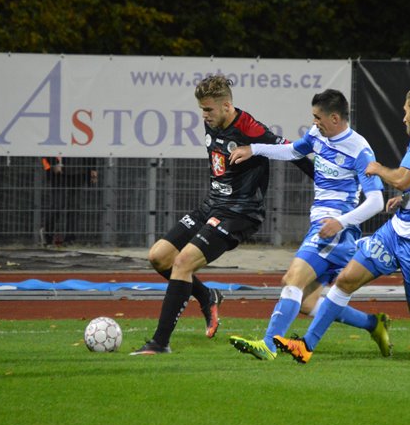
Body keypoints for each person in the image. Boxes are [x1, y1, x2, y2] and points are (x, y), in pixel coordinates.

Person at [273, 86, 410, 364]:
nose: (403, 118)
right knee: (346, 280)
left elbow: (401, 179)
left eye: (406, 112)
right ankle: (306, 346)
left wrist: (377, 169)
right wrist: (406, 200)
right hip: (395, 232)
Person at [130, 75, 315, 355]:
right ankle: (207, 296)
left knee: (182, 262)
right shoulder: (212, 121)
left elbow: (293, 152)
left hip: (239, 212)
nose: (204, 115)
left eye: (208, 109)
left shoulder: (250, 128)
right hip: (212, 205)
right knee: (159, 256)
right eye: (202, 109)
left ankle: (159, 343)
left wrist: (325, 183)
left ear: (227, 106)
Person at [227, 89, 393, 361]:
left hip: (334, 231)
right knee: (306, 302)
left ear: (335, 118)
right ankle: (373, 324)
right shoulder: (317, 135)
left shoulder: (360, 150)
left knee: (293, 279)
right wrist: (253, 149)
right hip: (324, 227)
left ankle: (268, 345)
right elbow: (292, 151)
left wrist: (340, 222)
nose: (314, 122)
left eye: (318, 117)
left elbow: (376, 201)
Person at [40, 156, 98, 246]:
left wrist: (93, 169)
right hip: (59, 174)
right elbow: (45, 153)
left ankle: (70, 239)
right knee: (57, 206)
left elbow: (90, 151)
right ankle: (47, 234)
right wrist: (53, 164)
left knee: (74, 207)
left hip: (79, 173)